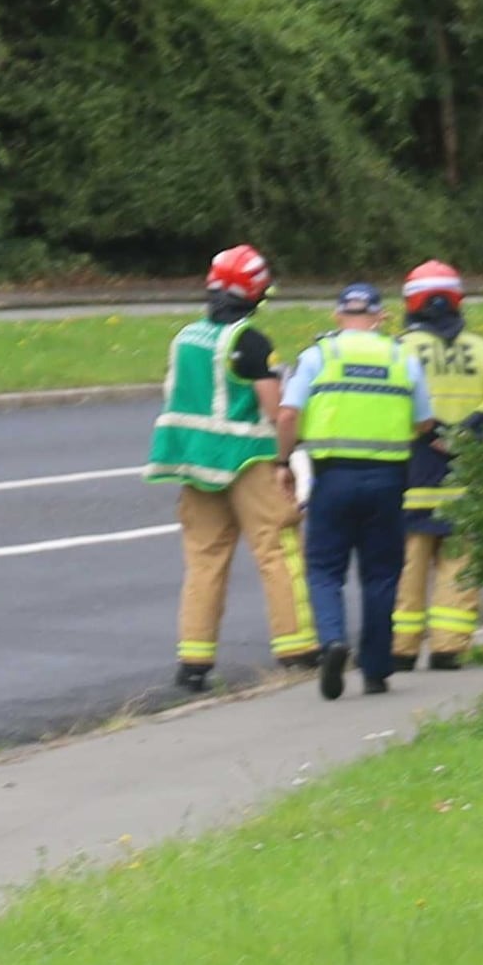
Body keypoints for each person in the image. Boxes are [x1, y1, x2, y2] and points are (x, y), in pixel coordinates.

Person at [145, 243, 316, 691]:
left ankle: (194, 662)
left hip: (195, 464)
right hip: (249, 460)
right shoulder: (249, 341)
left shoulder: (184, 338)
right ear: (255, 293)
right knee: (277, 550)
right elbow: (274, 409)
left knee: (204, 560)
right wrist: (288, 457)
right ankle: (297, 649)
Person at [276, 280, 438, 700]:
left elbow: (289, 414)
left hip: (332, 477)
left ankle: (332, 641)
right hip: (387, 479)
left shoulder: (318, 355)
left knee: (324, 569)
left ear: (338, 315)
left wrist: (282, 462)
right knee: (381, 574)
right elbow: (424, 422)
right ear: (380, 317)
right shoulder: (403, 358)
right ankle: (375, 670)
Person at [390, 261, 483, 672]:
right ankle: (449, 647)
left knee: (407, 563)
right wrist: (473, 424)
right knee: (459, 560)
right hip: (467, 473)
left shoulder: (400, 349)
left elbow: (391, 399)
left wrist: (430, 432)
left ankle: (401, 647)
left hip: (413, 471)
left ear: (411, 302)